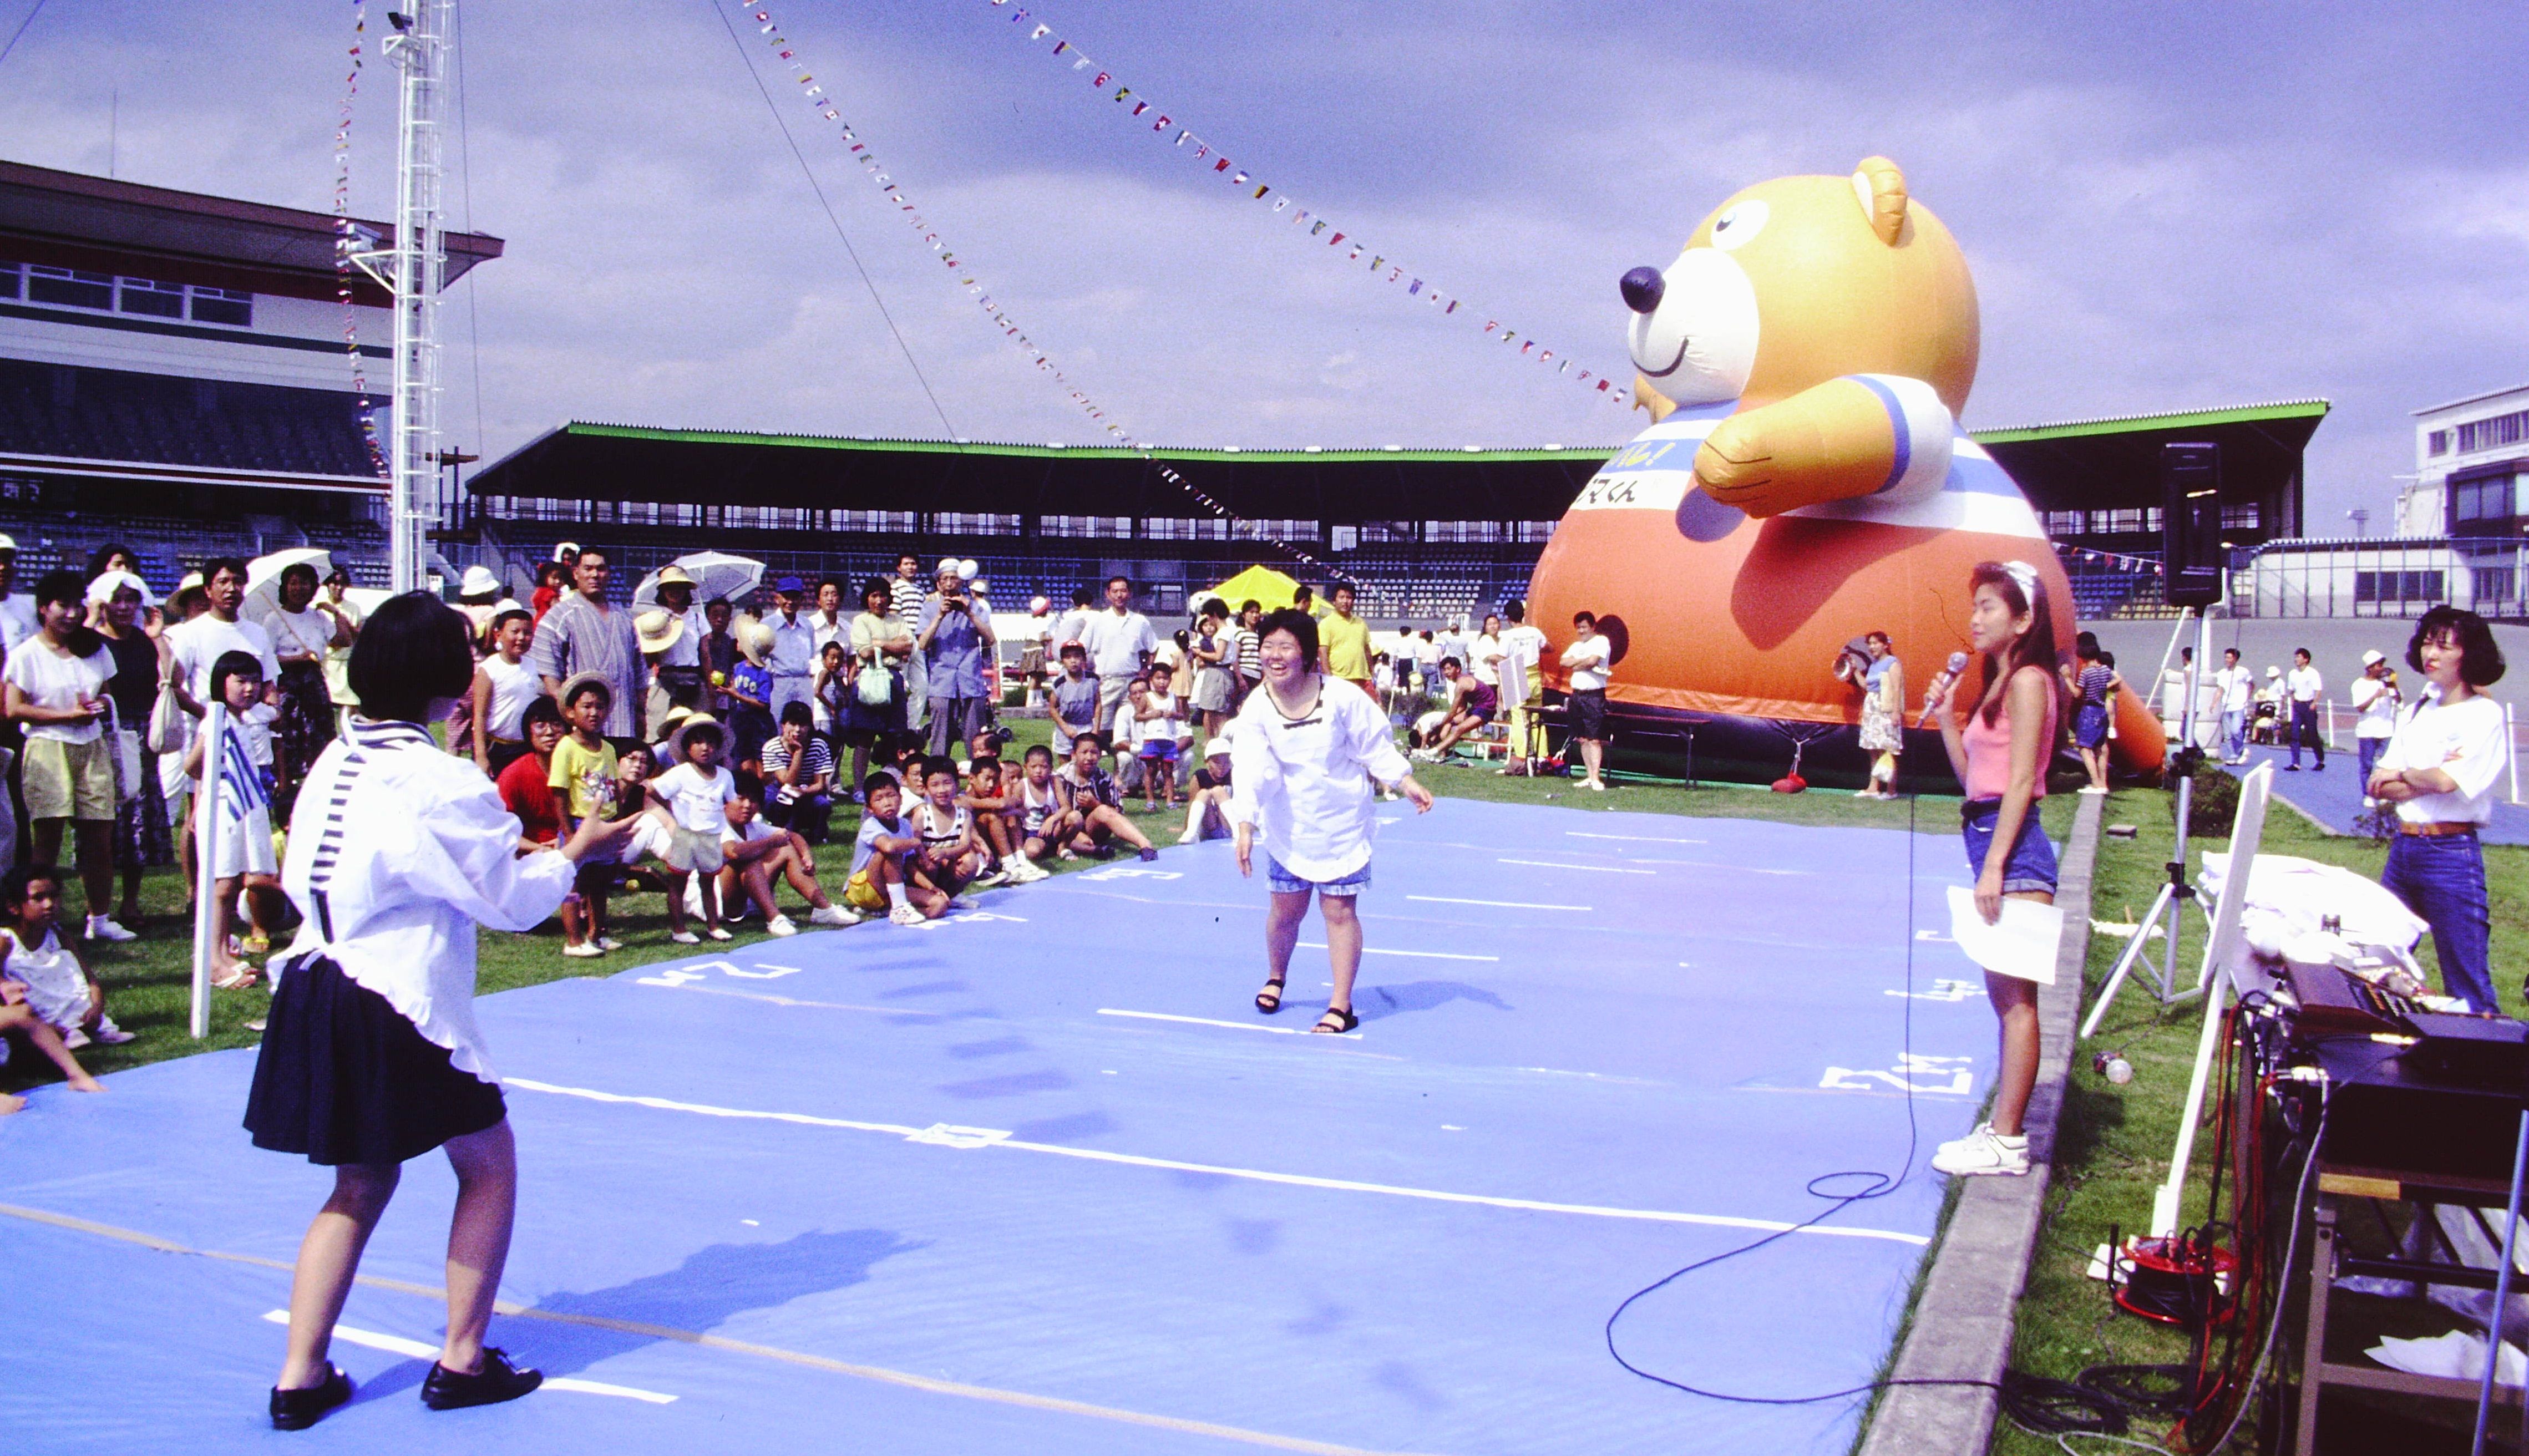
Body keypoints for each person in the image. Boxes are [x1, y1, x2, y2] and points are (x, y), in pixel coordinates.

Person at [245, 591, 635, 1429]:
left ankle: (300, 1374)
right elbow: (509, 901)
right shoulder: (440, 777)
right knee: (486, 1161)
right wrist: (577, 848)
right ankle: (461, 1359)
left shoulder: (336, 755)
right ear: (447, 681)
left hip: (318, 983)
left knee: (359, 1180)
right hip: (395, 995)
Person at [1230, 607, 1435, 1034]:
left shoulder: (1342, 696)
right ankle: (1276, 975)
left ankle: (1341, 1004)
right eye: (1267, 647)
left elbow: (1373, 745)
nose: (1275, 655)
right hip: (1289, 823)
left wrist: (1404, 780)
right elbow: (1250, 766)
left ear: (1306, 653)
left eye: (1285, 646)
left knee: (1339, 910)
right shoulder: (1257, 706)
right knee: (1285, 909)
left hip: (1341, 821)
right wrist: (1245, 823)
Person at [1930, 561, 2065, 1179]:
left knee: (2016, 1005)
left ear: (2023, 619)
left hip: (2013, 853)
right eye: (1974, 606)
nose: (1974, 618)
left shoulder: (2030, 681)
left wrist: (1993, 868)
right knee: (2003, 999)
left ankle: (2007, 1141)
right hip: (1986, 835)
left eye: (1988, 606)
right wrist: (1945, 722)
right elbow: (1975, 782)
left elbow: (2019, 783)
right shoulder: (1998, 680)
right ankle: (2002, 1131)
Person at [2370, 607, 2508, 1014]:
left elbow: (2448, 782)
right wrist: (2420, 775)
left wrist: (2405, 774)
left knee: (2465, 980)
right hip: (2403, 852)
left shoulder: (2483, 715)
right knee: (2377, 963)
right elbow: (2377, 782)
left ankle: (2485, 1069)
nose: (2431, 652)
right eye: (2427, 642)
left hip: (2450, 854)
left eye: (2444, 645)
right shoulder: (2417, 711)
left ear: (2468, 655)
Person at [3, 570, 130, 941]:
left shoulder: (95, 649)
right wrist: (65, 716)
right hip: (48, 745)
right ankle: (38, 918)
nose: (72, 614)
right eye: (63, 605)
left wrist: (98, 705)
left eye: (78, 605)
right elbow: (13, 708)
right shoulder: (26, 654)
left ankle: (100, 918)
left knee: (99, 835)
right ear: (44, 609)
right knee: (48, 836)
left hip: (91, 745)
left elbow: (107, 694)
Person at [90, 569, 169, 929]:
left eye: (130, 600)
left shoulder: (142, 640)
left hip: (140, 739)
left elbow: (171, 679)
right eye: (116, 599)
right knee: (104, 825)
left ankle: (131, 902)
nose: (123, 607)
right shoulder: (92, 642)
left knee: (139, 820)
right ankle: (99, 906)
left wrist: (158, 638)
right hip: (105, 736)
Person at [1, 864, 133, 1049]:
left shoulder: (59, 937)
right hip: (36, 1011)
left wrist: (96, 1008)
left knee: (64, 963)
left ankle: (91, 1026)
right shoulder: (6, 940)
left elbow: (89, 979)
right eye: (38, 899)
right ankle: (59, 1031)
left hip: (71, 1005)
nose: (49, 905)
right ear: (14, 907)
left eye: (53, 896)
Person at [530, 547, 645, 744]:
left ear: (608, 574)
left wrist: (642, 714)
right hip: (581, 730)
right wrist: (570, 713)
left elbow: (640, 675)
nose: (594, 575)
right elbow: (549, 674)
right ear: (575, 573)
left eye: (600, 569)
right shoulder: (560, 615)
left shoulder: (625, 618)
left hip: (624, 723)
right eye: (588, 568)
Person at [546, 674, 622, 957]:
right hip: (579, 824)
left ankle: (597, 933)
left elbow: (615, 790)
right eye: (587, 706)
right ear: (570, 712)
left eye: (600, 707)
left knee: (600, 883)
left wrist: (618, 826)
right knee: (575, 882)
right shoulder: (567, 747)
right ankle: (574, 940)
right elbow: (559, 792)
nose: (594, 713)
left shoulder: (609, 750)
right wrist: (568, 832)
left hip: (606, 825)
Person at [715, 788, 855, 934]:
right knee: (748, 857)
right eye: (741, 798)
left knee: (786, 848)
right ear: (725, 803)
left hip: (747, 899)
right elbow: (734, 852)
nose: (747, 805)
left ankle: (823, 908)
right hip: (721, 904)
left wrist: (806, 854)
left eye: (753, 801)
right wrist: (770, 842)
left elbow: (791, 835)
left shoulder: (753, 827)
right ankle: (774, 918)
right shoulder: (716, 827)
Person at [648, 716, 737, 943]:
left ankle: (713, 926)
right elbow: (653, 792)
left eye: (710, 743)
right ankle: (679, 929)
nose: (705, 748)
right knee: (679, 884)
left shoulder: (725, 776)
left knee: (708, 884)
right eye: (698, 742)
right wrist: (673, 814)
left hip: (712, 837)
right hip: (686, 837)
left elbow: (731, 802)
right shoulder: (680, 773)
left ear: (718, 747)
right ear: (688, 747)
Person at [916, 562, 996, 760]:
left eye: (954, 578)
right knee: (940, 736)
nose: (950, 584)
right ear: (939, 584)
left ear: (961, 581)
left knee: (976, 737)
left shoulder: (974, 607)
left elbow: (990, 639)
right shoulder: (929, 609)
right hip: (942, 681)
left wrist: (969, 613)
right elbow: (923, 644)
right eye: (945, 579)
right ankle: (938, 776)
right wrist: (940, 615)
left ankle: (978, 777)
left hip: (970, 679)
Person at [843, 578, 913, 797]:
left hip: (894, 679)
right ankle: (858, 788)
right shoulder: (861, 621)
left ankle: (893, 785)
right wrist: (893, 646)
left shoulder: (898, 620)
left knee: (895, 737)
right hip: (870, 678)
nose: (879, 600)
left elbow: (908, 646)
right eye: (874, 596)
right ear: (867, 598)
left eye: (882, 595)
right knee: (865, 736)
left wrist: (880, 644)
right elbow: (864, 652)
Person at [845, 773, 943, 925]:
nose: (887, 803)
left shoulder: (904, 825)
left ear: (901, 798)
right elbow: (889, 847)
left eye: (891, 796)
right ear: (869, 808)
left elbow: (909, 866)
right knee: (893, 849)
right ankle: (898, 908)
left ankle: (887, 910)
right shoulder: (871, 825)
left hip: (891, 888)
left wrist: (930, 887)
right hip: (865, 889)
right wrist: (916, 843)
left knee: (939, 905)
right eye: (879, 799)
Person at [1079, 575, 1159, 748]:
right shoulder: (1098, 621)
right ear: (1108, 594)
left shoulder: (1140, 621)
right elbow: (1081, 649)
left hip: (1132, 682)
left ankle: (1130, 763)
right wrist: (1086, 675)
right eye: (1115, 591)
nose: (1119, 595)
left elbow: (1153, 647)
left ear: (1129, 593)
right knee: (1101, 726)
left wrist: (1147, 669)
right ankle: (1094, 760)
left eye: (1123, 591)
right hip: (1106, 680)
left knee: (1132, 725)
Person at [1055, 732, 1159, 861]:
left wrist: (1095, 804)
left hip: (1094, 827)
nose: (1089, 757)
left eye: (1094, 753)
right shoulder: (1060, 778)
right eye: (1084, 752)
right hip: (1067, 828)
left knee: (1103, 810)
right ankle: (1081, 847)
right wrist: (1078, 833)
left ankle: (1145, 845)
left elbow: (1117, 812)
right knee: (1077, 827)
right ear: (1074, 755)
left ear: (1100, 755)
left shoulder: (1104, 777)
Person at [910, 757, 986, 903]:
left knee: (971, 861)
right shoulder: (923, 815)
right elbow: (915, 844)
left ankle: (952, 895)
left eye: (947, 783)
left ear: (957, 785)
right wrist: (929, 857)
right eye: (935, 785)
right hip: (928, 867)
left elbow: (964, 845)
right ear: (926, 789)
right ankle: (929, 896)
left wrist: (945, 854)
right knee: (929, 864)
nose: (942, 790)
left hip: (948, 863)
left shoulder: (964, 815)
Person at [760, 702, 835, 843]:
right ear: (783, 725)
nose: (798, 730)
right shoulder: (772, 747)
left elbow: (820, 784)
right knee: (771, 801)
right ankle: (780, 826)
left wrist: (803, 792)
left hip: (809, 790)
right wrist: (798, 753)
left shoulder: (819, 745)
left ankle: (817, 832)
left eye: (803, 725)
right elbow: (788, 782)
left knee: (823, 804)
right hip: (781, 791)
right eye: (793, 724)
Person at [1561, 611, 1614, 793]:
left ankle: (1596, 777)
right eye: (1579, 628)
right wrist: (1580, 662)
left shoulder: (1601, 641)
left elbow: (1592, 662)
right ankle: (1589, 775)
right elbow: (1564, 661)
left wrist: (1578, 664)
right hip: (1577, 695)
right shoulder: (1576, 645)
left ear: (1593, 627)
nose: (1582, 631)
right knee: (1582, 738)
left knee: (1594, 738)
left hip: (1594, 696)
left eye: (1584, 627)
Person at [1851, 629, 1905, 799]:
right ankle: (1873, 787)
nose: (1872, 647)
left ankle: (1891, 789)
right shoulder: (1874, 664)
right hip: (1872, 706)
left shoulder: (1892, 663)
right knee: (1873, 748)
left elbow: (1897, 688)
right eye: (1870, 644)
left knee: (1888, 748)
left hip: (1886, 707)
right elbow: (1867, 686)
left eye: (1875, 643)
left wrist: (1896, 711)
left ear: (1885, 645)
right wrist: (1855, 671)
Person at [722, 619, 777, 774]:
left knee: (760, 760)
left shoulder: (763, 672)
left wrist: (737, 695)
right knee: (743, 758)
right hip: (741, 721)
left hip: (758, 724)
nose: (737, 641)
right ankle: (749, 789)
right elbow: (738, 691)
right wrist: (731, 689)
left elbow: (764, 704)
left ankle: (763, 792)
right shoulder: (739, 667)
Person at [648, 565, 707, 708]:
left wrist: (710, 690)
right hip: (665, 682)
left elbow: (706, 656)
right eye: (670, 587)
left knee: (693, 727)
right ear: (663, 591)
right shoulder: (655, 620)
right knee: (661, 727)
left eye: (679, 587)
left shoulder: (698, 619)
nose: (675, 591)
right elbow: (649, 660)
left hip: (693, 680)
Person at [2349, 647, 2402, 805]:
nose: (2381, 668)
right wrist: (2375, 696)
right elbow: (2360, 708)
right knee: (2367, 764)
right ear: (2370, 668)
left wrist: (2394, 687)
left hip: (2386, 730)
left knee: (2387, 764)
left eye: (2382, 665)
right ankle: (2368, 795)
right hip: (2367, 731)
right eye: (2378, 665)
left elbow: (2398, 701)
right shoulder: (2359, 684)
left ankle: (2385, 793)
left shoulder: (2387, 682)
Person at [1416, 658, 1496, 762]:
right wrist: (1445, 724)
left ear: (1458, 669)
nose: (1446, 673)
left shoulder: (1462, 684)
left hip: (1486, 709)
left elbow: (1453, 712)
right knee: (1450, 723)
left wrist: (1438, 726)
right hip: (1476, 708)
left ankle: (1432, 752)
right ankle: (1441, 751)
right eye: (1444, 670)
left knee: (1458, 729)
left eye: (1449, 669)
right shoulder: (1460, 682)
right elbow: (1462, 708)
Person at [763, 576, 819, 724]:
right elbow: (761, 657)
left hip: (803, 681)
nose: (791, 602)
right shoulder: (767, 625)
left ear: (801, 599)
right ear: (777, 598)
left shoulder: (807, 625)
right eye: (786, 597)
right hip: (779, 682)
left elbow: (812, 654)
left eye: (795, 598)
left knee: (804, 725)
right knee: (779, 724)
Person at [316, 566, 365, 734]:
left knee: (352, 706)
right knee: (325, 707)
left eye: (342, 584)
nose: (338, 587)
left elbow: (357, 635)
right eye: (335, 583)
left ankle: (352, 737)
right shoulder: (320, 607)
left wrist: (340, 616)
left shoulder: (354, 608)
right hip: (327, 663)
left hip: (346, 662)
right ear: (328, 585)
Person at [1013, 744, 1076, 867]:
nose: (1038, 771)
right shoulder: (1022, 786)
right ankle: (1050, 849)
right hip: (1033, 832)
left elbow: (1066, 807)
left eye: (1043, 767)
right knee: (1032, 852)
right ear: (1025, 767)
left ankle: (1063, 847)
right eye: (1034, 767)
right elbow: (1014, 812)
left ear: (1051, 768)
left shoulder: (1054, 782)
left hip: (1055, 829)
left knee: (1076, 817)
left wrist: (1052, 820)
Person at [2067, 639, 2117, 794]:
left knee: (2084, 747)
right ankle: (2103, 783)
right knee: (2100, 748)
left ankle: (2095, 783)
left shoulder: (2086, 673)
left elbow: (2077, 693)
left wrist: (2067, 678)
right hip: (2102, 711)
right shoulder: (2105, 670)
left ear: (2082, 656)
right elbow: (2118, 682)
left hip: (2089, 711)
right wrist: (2106, 687)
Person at [1130, 676, 1183, 811]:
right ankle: (1150, 801)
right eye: (1158, 678)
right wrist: (1152, 715)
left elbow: (1182, 715)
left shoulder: (1173, 697)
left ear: (1170, 680)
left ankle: (1170, 801)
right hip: (1152, 739)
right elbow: (1138, 716)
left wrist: (1173, 714)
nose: (1162, 681)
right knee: (1151, 770)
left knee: (1168, 771)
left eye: (1165, 678)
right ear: (1152, 680)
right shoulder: (1147, 697)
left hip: (1168, 739)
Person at [1180, 722, 1236, 844]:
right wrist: (1185, 828)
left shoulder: (1234, 775)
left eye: (1226, 762)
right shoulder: (1200, 776)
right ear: (1207, 762)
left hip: (1229, 826)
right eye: (1217, 763)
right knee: (1204, 793)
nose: (1222, 767)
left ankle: (1237, 832)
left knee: (1218, 791)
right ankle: (1191, 833)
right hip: (1211, 826)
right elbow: (1191, 804)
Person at [1188, 599, 1235, 744]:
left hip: (1219, 673)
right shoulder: (1223, 632)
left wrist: (1199, 653)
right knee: (1211, 710)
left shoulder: (1223, 633)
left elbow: (1218, 656)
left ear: (1214, 614)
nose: (1208, 620)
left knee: (1220, 713)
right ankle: (1212, 741)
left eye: (1208, 616)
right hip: (1216, 672)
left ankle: (1222, 743)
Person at [1047, 641, 1102, 759]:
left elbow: (1098, 703)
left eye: (1077, 656)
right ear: (1063, 661)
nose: (1073, 661)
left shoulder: (1092, 680)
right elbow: (1052, 708)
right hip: (1067, 726)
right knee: (1065, 761)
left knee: (1087, 760)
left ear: (1083, 659)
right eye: (1068, 657)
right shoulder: (1059, 684)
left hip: (1087, 726)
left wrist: (1096, 728)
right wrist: (1065, 728)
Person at [1318, 584, 1375, 696]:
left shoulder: (1361, 623)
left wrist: (1372, 674)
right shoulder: (1326, 624)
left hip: (1363, 680)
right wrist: (1329, 679)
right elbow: (1322, 653)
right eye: (1341, 597)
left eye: (1349, 598)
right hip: (1340, 680)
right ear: (1334, 601)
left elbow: (1367, 650)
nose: (1345, 601)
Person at [2284, 646, 2324, 772]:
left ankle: (2320, 760)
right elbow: (2291, 690)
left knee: (2312, 735)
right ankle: (2296, 763)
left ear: (2306, 660)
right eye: (2296, 657)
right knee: (2294, 734)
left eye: (2299, 657)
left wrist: (2315, 702)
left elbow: (2318, 690)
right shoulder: (2293, 674)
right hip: (2298, 705)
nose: (2296, 660)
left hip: (2309, 706)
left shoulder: (2313, 673)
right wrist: (2292, 702)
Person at [699, 597, 738, 716]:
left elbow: (730, 666)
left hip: (725, 693)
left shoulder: (728, 641)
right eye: (715, 615)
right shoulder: (701, 641)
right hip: (704, 693)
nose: (720, 620)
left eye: (725, 616)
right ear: (707, 618)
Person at [2216, 646, 2253, 765]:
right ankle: (2233, 754)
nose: (2226, 660)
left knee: (2236, 730)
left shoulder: (2243, 672)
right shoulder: (2222, 673)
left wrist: (2247, 698)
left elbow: (2251, 684)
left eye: (2229, 657)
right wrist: (2214, 703)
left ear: (2235, 659)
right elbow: (2220, 689)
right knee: (2227, 734)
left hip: (2238, 706)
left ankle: (2241, 749)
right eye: (2226, 657)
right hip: (2225, 707)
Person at [1232, 600, 1264, 706]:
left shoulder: (1260, 635)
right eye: (1252, 612)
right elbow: (1234, 657)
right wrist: (1240, 679)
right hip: (1244, 674)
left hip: (1257, 677)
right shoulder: (1240, 633)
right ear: (1244, 615)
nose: (1255, 615)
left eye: (1257, 612)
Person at [528, 559, 570, 625]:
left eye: (561, 578)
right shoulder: (551, 594)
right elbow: (558, 611)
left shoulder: (541, 591)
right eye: (554, 578)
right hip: (548, 623)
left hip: (539, 621)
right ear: (545, 578)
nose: (558, 581)